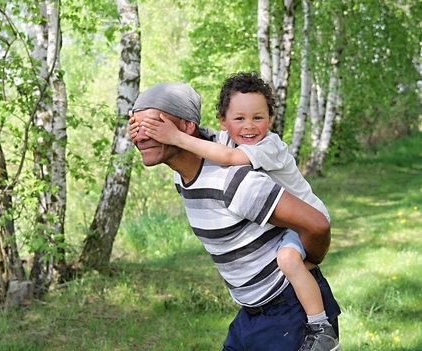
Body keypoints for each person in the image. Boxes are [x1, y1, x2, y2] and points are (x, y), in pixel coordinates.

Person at [130, 72, 338, 351]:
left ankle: (322, 331)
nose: (142, 135)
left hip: (287, 310)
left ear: (185, 128)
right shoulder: (184, 176)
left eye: (154, 125)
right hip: (251, 315)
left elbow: (317, 226)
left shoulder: (233, 180)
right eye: (134, 125)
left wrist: (308, 260)